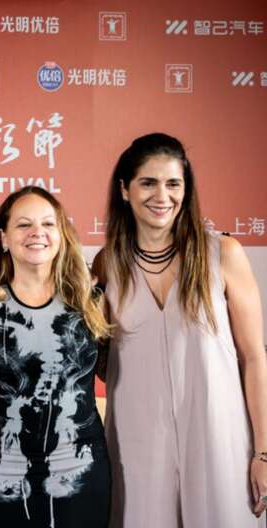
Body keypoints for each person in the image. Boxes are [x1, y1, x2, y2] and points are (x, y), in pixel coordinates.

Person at [92, 133, 267, 527]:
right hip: (136, 443)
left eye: (173, 183)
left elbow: (254, 357)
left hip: (218, 437)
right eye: (148, 183)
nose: (162, 196)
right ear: (125, 190)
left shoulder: (223, 254)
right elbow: (103, 361)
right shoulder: (107, 265)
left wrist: (263, 453)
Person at [0, 186, 112, 527]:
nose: (37, 232)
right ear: (3, 237)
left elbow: (113, 373)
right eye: (24, 224)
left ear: (61, 235)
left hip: (81, 468)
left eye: (48, 224)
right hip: (7, 473)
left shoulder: (92, 299)